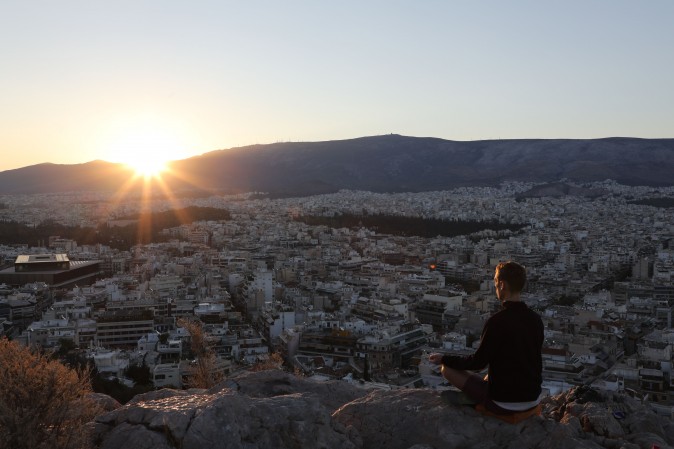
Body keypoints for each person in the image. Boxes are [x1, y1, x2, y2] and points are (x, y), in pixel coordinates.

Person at [429, 261, 544, 414]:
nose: (495, 286)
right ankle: (475, 395)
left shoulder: (497, 321)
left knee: (447, 369)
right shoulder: (536, 319)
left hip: (504, 402)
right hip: (532, 398)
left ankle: (475, 399)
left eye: (496, 281)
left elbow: (478, 363)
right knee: (492, 372)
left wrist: (444, 358)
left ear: (502, 285)